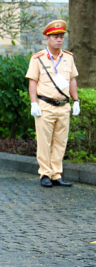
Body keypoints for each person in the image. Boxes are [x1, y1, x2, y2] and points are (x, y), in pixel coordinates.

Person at [26, 19, 80, 188]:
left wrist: (76, 100)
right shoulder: (38, 59)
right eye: (55, 36)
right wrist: (33, 103)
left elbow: (72, 80)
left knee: (60, 141)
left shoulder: (68, 58)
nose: (59, 39)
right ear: (47, 39)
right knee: (44, 141)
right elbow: (33, 82)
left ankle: (57, 174)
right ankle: (45, 173)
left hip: (63, 105)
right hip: (45, 106)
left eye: (61, 36)